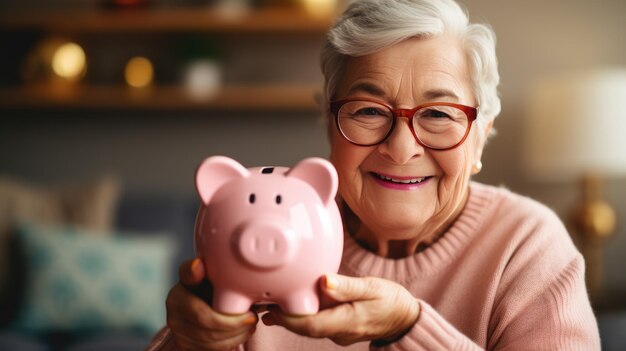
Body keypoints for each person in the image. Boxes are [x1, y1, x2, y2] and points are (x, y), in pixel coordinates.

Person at [147, 0, 601, 349]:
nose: (401, 149)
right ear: (329, 126)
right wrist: (186, 341)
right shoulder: (254, 227)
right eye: (367, 110)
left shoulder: (527, 245)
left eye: (439, 114)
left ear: (481, 135)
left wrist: (409, 327)